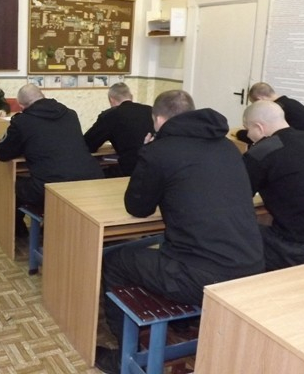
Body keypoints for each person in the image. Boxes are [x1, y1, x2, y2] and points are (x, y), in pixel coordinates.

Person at [95, 90, 264, 374]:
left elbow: (138, 207)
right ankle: (183, 320)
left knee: (114, 261)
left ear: (159, 120)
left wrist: (146, 154)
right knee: (170, 244)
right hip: (251, 265)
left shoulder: (159, 151)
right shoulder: (227, 146)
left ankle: (125, 356)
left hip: (202, 275)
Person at [0, 84, 104, 237]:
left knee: (13, 184)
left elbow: (2, 153)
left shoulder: (22, 121)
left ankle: (18, 231)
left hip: (51, 186)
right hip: (90, 181)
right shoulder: (70, 114)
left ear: (21, 106)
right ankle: (51, 225)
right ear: (42, 96)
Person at [242, 100, 304, 271]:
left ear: (258, 127)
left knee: (238, 233)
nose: (248, 135)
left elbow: (237, 196)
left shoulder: (262, 151)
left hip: (302, 249)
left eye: (248, 129)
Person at [84, 82, 153, 177]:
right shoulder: (151, 110)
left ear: (111, 100)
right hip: (155, 168)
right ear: (131, 97)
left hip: (130, 170)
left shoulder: (110, 116)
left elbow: (88, 144)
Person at [236, 82, 304, 144]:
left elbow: (265, 138)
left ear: (260, 99)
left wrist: (240, 133)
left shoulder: (274, 109)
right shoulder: (292, 102)